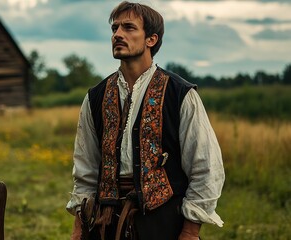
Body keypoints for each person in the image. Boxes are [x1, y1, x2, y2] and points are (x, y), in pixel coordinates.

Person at [66, 1, 225, 240]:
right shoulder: (95, 97)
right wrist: (79, 227)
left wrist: (190, 231)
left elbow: (206, 166)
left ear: (151, 39)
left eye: (129, 28)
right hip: (105, 222)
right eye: (115, 28)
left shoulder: (179, 94)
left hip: (163, 223)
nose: (118, 34)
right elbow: (86, 169)